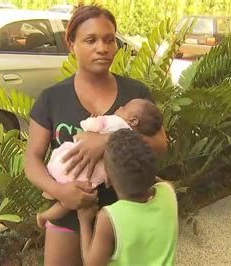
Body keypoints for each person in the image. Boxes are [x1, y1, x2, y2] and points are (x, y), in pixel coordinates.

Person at [24, 5, 167, 265]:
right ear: (71, 44)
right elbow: (32, 160)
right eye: (90, 40)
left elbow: (160, 145)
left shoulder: (135, 95)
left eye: (109, 39)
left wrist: (107, 140)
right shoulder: (51, 99)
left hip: (128, 218)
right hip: (69, 215)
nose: (102, 47)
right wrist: (60, 191)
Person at [37, 99, 163, 228]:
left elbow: (92, 125)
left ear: (133, 121)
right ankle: (45, 216)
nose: (119, 107)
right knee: (67, 203)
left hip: (77, 162)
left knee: (66, 191)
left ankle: (49, 200)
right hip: (94, 176)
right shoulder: (132, 141)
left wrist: (90, 123)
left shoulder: (116, 121)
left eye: (124, 108)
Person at [78, 129, 178, 266]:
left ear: (107, 179)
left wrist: (84, 221)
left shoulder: (109, 218)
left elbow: (91, 264)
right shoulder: (168, 192)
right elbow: (159, 180)